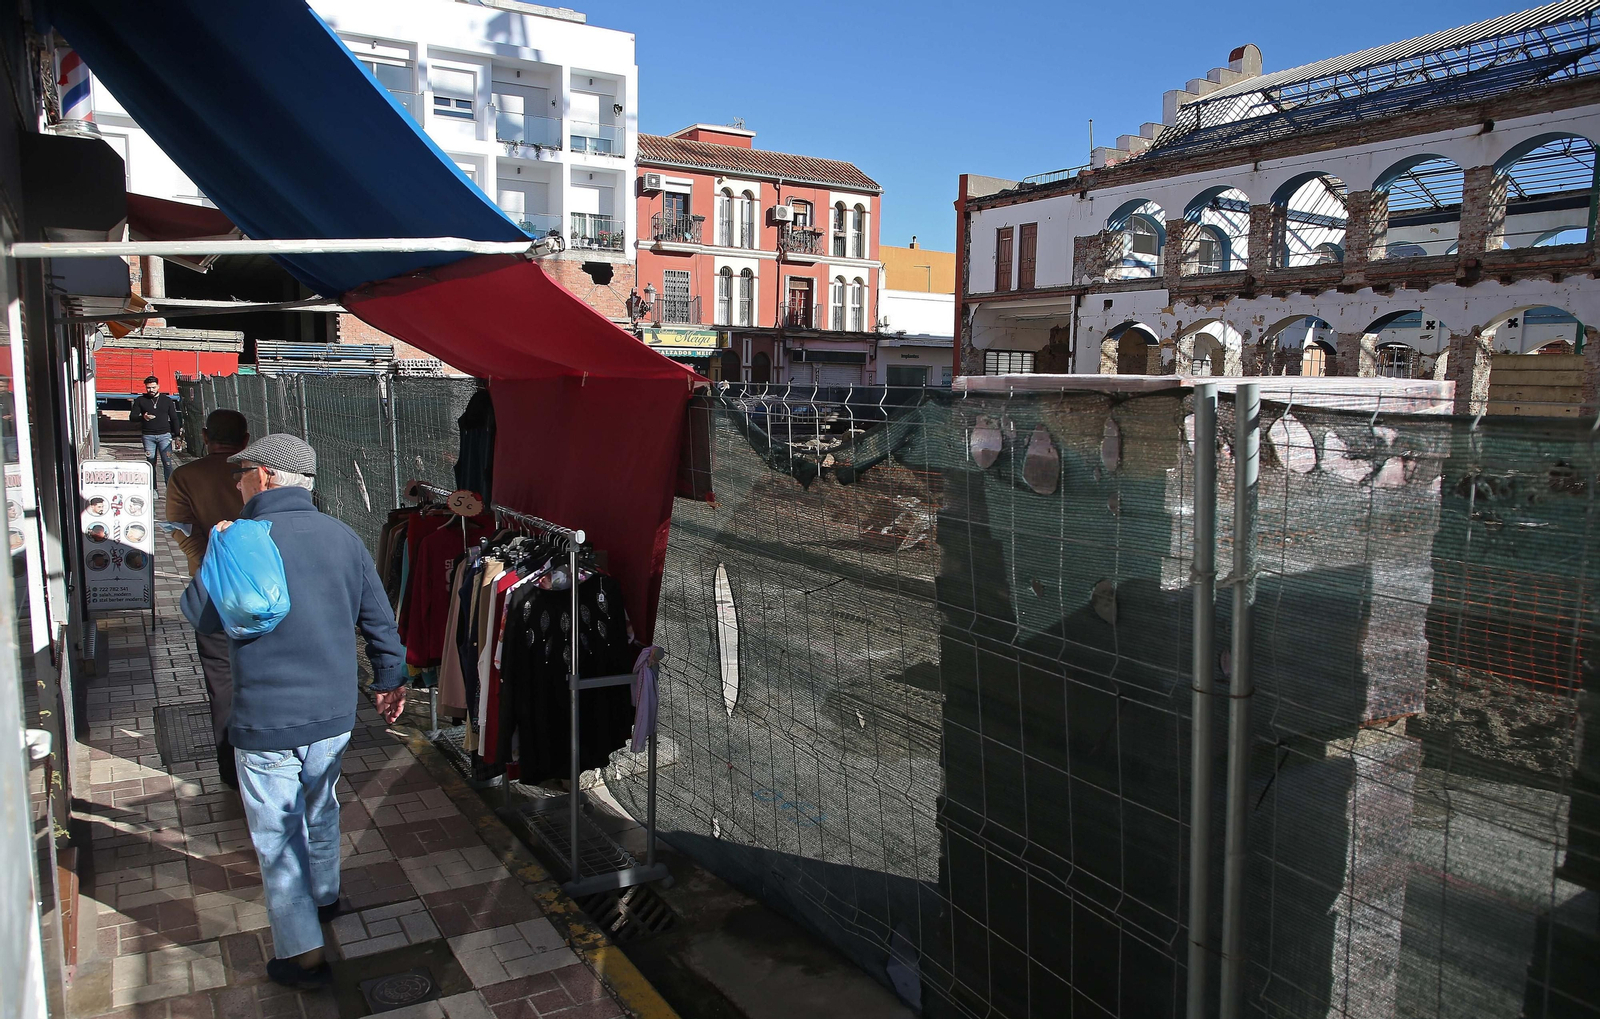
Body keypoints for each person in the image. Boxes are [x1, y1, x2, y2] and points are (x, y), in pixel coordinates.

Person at [180, 434, 406, 990]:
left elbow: (202, 617)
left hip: (266, 718)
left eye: (241, 473)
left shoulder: (240, 537)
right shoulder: (343, 536)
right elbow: (379, 620)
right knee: (321, 805)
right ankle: (325, 897)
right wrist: (389, 680)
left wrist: (218, 549)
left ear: (265, 475)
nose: (236, 483)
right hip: (333, 713)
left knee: (278, 835)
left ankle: (302, 955)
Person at [165, 409, 249, 789]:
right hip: (261, 585)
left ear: (203, 436)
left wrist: (208, 564)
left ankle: (230, 769)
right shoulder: (252, 473)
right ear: (245, 439)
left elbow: (180, 528)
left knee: (222, 679)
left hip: (213, 592)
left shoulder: (185, 476)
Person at [131, 376, 182, 488]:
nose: (151, 390)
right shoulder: (140, 400)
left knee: (167, 463)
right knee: (150, 463)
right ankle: (153, 489)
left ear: (158, 386)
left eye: (153, 387)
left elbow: (174, 418)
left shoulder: (167, 400)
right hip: (148, 436)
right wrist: (143, 417)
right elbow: (132, 417)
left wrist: (177, 435)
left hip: (165, 435)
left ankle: (170, 489)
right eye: (148, 388)